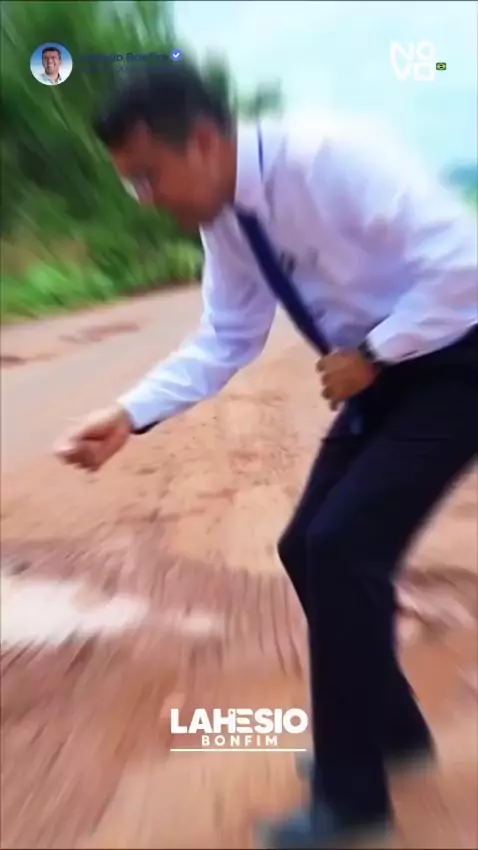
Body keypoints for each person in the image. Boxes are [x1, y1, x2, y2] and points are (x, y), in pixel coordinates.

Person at [54, 64, 477, 849]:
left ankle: (354, 802)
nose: (144, 199)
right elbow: (227, 335)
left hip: (456, 365)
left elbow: (466, 266)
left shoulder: (330, 160)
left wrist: (376, 352)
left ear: (203, 142)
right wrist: (128, 414)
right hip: (379, 376)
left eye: (147, 176)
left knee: (343, 546)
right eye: (130, 183)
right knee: (306, 547)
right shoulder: (228, 220)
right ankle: (391, 731)